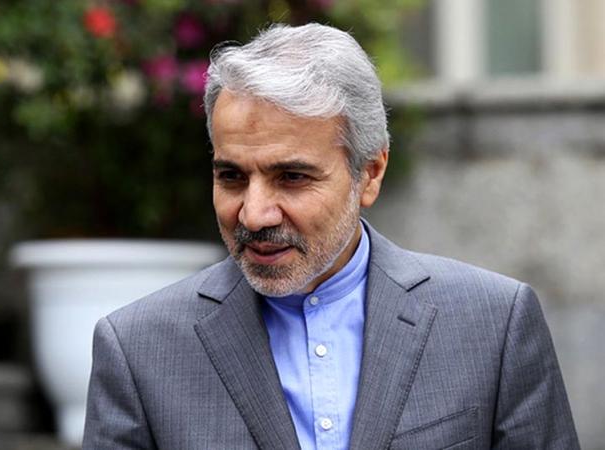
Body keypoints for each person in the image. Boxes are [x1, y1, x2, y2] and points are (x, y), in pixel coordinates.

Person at [82, 23, 579, 450]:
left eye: (292, 177)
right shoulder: (139, 350)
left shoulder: (493, 325)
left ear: (370, 173)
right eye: (231, 176)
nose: (254, 214)